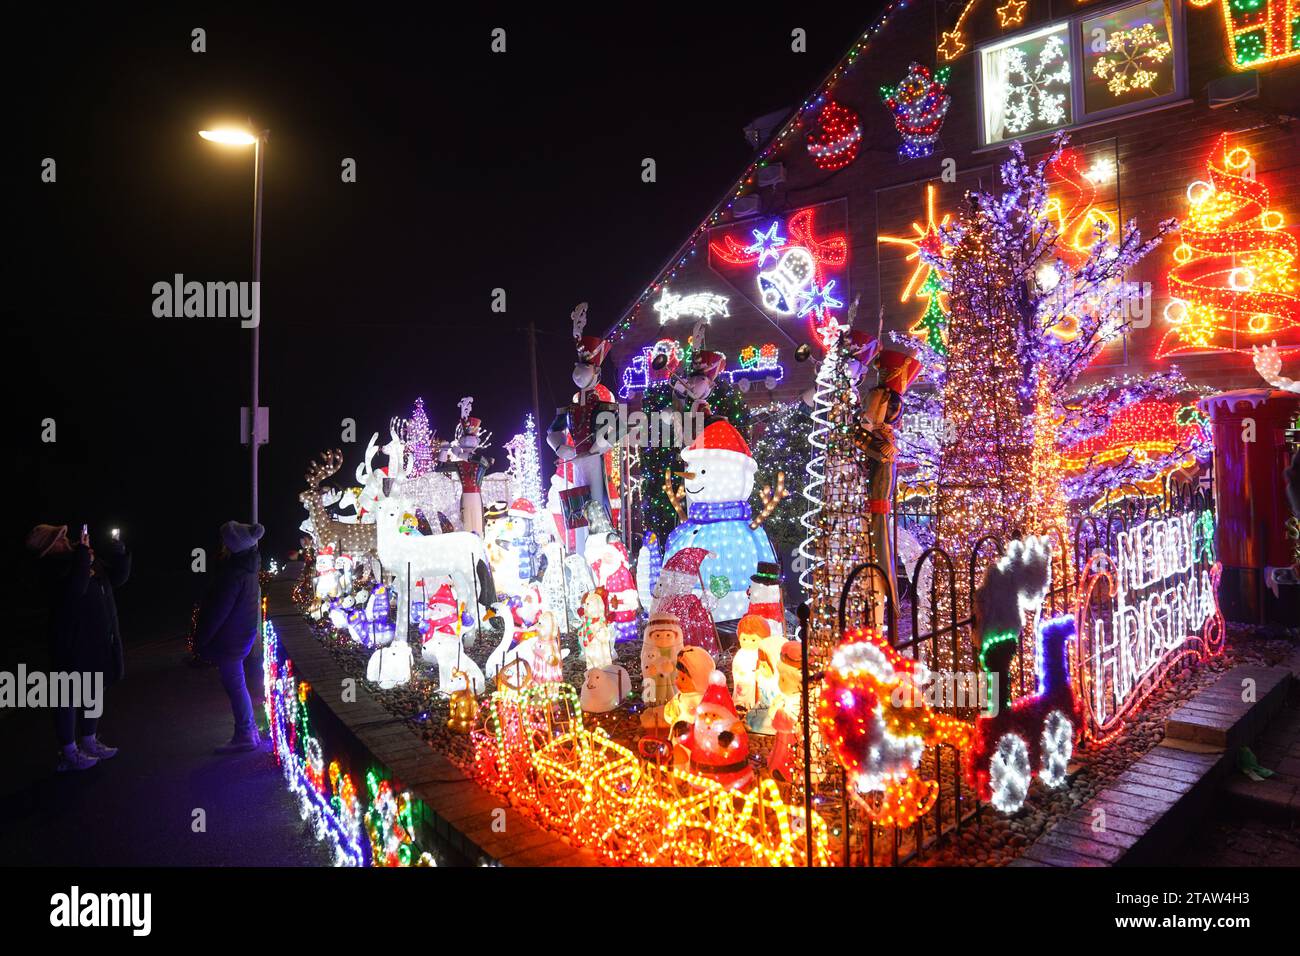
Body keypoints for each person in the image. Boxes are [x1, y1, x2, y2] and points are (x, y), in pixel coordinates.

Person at [26, 523, 130, 772]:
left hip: (96, 640)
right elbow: (75, 591)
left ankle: (89, 741)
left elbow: (116, 579)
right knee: (68, 697)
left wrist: (119, 553)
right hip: (71, 644)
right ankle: (69, 751)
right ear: (48, 550)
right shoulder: (55, 570)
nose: (66, 541)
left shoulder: (82, 560)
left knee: (93, 691)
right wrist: (83, 558)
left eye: (63, 536)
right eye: (59, 540)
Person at [194, 521, 265, 754]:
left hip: (231, 639)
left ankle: (245, 733)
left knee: (235, 685)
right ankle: (249, 730)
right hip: (241, 634)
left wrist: (201, 639)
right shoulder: (248, 569)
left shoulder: (234, 574)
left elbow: (218, 612)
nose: (221, 545)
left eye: (224, 541)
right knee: (237, 684)